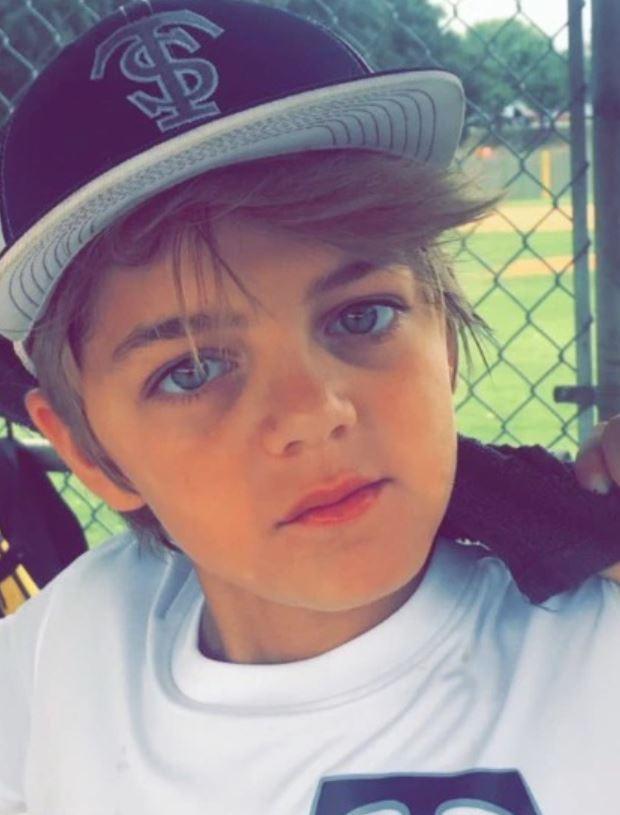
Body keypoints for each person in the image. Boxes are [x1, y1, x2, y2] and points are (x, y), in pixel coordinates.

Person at [0, 1, 617, 813]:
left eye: (361, 316)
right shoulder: (54, 669)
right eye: (191, 371)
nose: (311, 412)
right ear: (90, 451)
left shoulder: (593, 646)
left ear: (445, 340)